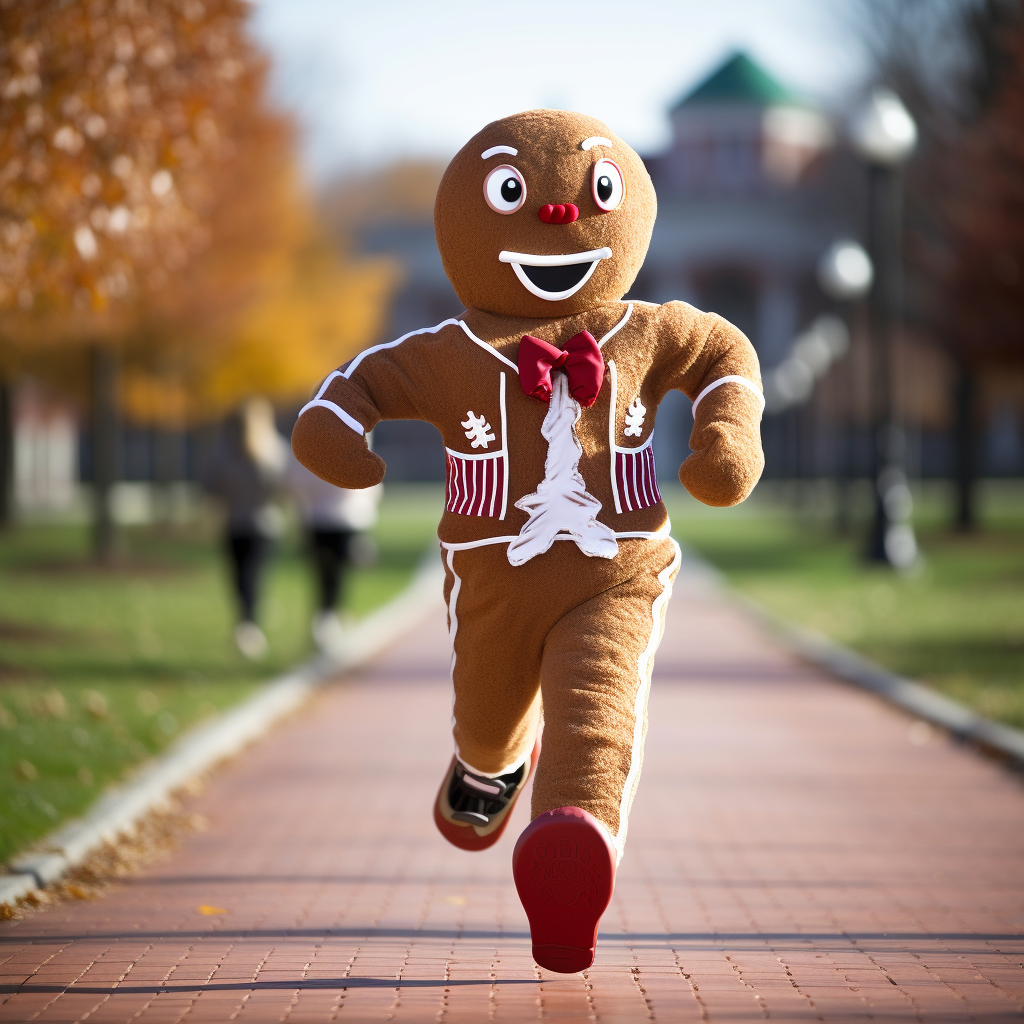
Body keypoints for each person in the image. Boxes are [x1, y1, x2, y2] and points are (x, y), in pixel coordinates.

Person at [291, 110, 764, 972]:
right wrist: (334, 430)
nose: (554, 219)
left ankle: (574, 846)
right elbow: (361, 382)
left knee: (599, 710)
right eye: (513, 194)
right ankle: (491, 765)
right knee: (488, 712)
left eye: (593, 194)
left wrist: (728, 435)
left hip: (614, 564)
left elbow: (724, 352)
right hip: (493, 578)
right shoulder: (452, 349)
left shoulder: (645, 331)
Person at [202, 397, 287, 659]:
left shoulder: (223, 449)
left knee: (240, 579)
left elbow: (209, 485)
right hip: (264, 525)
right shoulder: (273, 448)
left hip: (234, 523)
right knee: (254, 577)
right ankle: (250, 627)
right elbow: (283, 486)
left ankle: (245, 625)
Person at [283, 449, 381, 656]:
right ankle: (330, 617)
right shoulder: (348, 441)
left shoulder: (313, 444)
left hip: (325, 518)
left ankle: (330, 616)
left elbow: (295, 481)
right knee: (333, 573)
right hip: (337, 518)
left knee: (329, 573)